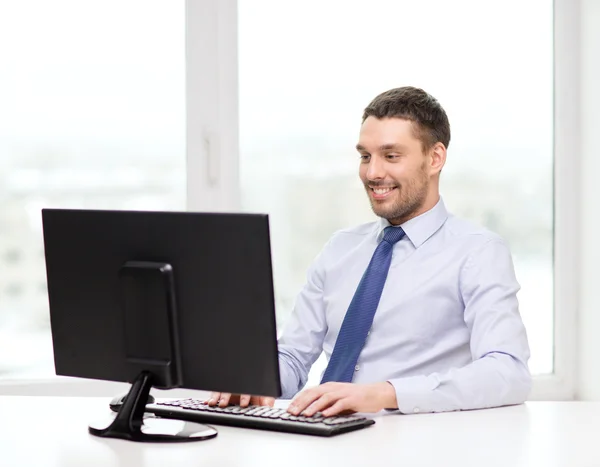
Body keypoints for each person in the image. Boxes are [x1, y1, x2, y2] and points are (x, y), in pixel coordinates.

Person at [207, 86, 531, 416]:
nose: (373, 173)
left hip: (415, 446)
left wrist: (385, 394)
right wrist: (256, 383)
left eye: (391, 156)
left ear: (435, 158)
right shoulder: (340, 248)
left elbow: (507, 372)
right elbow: (293, 356)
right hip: (322, 437)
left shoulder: (477, 252)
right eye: (365, 156)